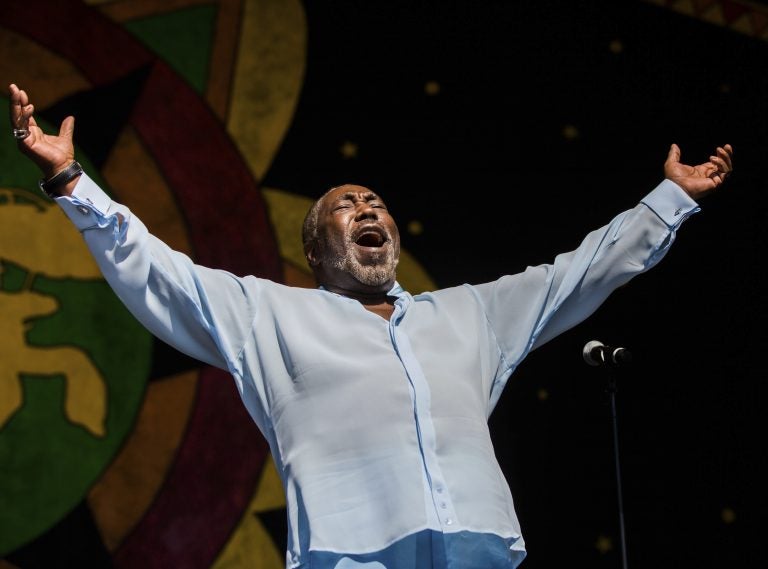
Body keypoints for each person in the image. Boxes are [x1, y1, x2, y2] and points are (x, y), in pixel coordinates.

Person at [8, 82, 733, 569]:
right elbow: (161, 274)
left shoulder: (469, 316)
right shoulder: (270, 313)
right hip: (350, 553)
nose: (368, 209)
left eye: (375, 201)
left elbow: (573, 275)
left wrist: (667, 201)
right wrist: (74, 183)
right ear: (318, 247)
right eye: (345, 206)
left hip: (480, 543)